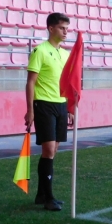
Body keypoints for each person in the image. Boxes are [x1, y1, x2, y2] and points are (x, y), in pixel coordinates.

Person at [24, 12, 73, 212]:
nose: (65, 32)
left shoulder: (65, 53)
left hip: (61, 104)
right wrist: (30, 110)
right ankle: (49, 198)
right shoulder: (39, 51)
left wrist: (69, 107)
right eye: (62, 28)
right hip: (43, 104)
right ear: (51, 28)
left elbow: (68, 83)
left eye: (67, 29)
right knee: (49, 150)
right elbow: (30, 82)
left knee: (52, 152)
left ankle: (41, 194)